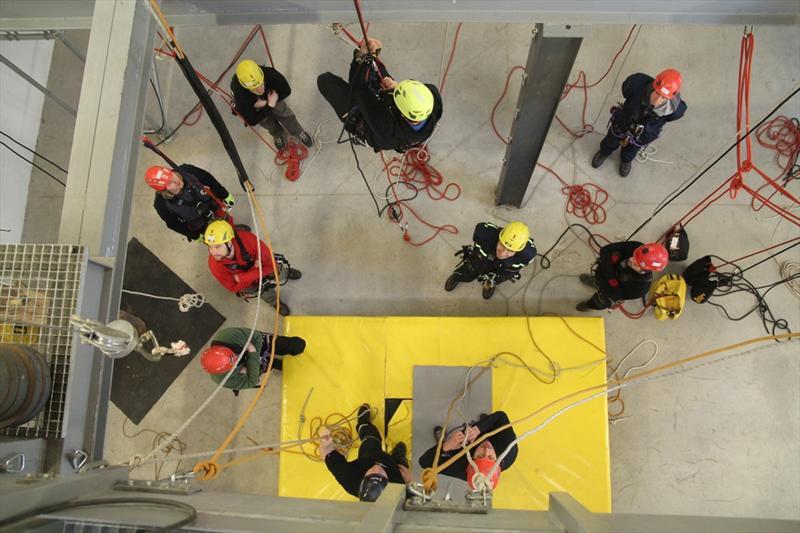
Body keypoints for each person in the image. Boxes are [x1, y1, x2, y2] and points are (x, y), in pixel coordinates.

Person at [317, 37, 443, 153]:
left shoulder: (386, 128)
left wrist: (360, 56)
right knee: (375, 66)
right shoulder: (434, 99)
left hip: (368, 124)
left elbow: (359, 89)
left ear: (401, 112)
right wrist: (395, 86)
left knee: (325, 81)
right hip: (393, 120)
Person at [591, 68, 687, 177]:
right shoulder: (636, 84)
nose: (657, 100)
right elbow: (626, 90)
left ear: (670, 98)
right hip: (624, 121)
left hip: (643, 133)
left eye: (663, 98)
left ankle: (626, 160)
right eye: (657, 93)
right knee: (611, 139)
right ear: (654, 85)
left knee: (632, 148)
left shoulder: (675, 110)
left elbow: (671, 117)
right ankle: (604, 152)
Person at [204, 220, 301, 316]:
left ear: (229, 242)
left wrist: (243, 278)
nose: (213, 252)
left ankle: (285, 273)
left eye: (217, 246)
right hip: (251, 282)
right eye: (210, 247)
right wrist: (256, 269)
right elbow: (233, 287)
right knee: (263, 291)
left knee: (276, 271)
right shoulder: (214, 265)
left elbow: (270, 262)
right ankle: (275, 302)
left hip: (254, 275)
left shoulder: (247, 239)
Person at [319, 403, 412, 502]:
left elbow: (326, 454)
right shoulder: (397, 492)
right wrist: (409, 483)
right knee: (402, 466)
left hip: (369, 456)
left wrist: (325, 444)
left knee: (371, 435)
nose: (377, 468)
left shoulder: (350, 480)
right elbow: (412, 503)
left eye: (370, 475)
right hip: (394, 470)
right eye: (380, 476)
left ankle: (362, 423)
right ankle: (398, 457)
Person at [418, 411, 517, 492]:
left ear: (471, 461)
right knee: (490, 422)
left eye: (480, 456)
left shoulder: (462, 467)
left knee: (453, 444)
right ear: (497, 461)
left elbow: (425, 463)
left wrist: (446, 446)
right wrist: (479, 428)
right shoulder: (509, 449)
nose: (487, 449)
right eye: (490, 457)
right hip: (486, 433)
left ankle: (444, 443)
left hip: (465, 446)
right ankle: (484, 422)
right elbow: (501, 417)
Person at [231, 59, 312, 150]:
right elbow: (251, 121)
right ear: (244, 86)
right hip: (253, 102)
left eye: (261, 83)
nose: (259, 89)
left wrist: (271, 102)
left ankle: (297, 131)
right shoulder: (239, 92)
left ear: (261, 75)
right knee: (265, 121)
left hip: (270, 95)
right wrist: (268, 105)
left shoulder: (270, 74)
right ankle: (277, 134)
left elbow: (286, 90)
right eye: (254, 87)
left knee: (283, 111)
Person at [445, 221, 536, 299]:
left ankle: (489, 284)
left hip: (501, 269)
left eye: (510, 250)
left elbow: (513, 270)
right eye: (502, 244)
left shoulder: (526, 256)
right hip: (481, 261)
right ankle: (458, 277)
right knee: (469, 271)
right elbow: (480, 227)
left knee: (495, 279)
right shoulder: (483, 234)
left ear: (519, 250)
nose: (502, 253)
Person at [145, 164, 234, 242]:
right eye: (169, 183)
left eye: (171, 175)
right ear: (164, 190)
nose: (176, 180)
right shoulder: (161, 205)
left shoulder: (187, 171)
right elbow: (173, 224)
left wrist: (225, 194)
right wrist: (194, 236)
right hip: (201, 225)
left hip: (215, 207)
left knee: (229, 225)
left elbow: (207, 178)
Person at [199, 327, 306, 389]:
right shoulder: (222, 379)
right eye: (234, 362)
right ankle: (272, 363)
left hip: (259, 344)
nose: (237, 358)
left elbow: (257, 337)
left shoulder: (228, 336)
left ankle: (280, 353)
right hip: (253, 353)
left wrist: (252, 358)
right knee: (271, 365)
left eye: (234, 355)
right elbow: (252, 382)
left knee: (298, 346)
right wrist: (252, 351)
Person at [576, 241, 668, 311]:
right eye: (634, 255)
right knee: (599, 278)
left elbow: (611, 293)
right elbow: (605, 250)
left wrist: (606, 274)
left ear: (646, 270)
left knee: (599, 300)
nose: (631, 259)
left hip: (608, 290)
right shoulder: (637, 247)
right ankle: (595, 281)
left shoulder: (640, 289)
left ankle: (590, 305)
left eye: (636, 263)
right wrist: (610, 278)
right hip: (606, 275)